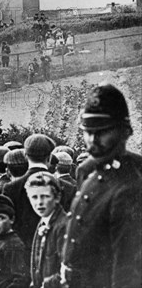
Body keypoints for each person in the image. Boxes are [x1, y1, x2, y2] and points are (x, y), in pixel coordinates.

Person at [62, 83, 142, 288]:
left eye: (102, 132)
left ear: (125, 132)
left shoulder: (130, 188)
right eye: (88, 132)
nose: (92, 140)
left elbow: (127, 271)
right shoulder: (87, 170)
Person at [0, 134, 76, 256]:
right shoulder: (69, 188)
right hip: (55, 254)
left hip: (21, 256)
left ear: (25, 155)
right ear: (49, 157)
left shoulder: (11, 188)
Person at [25, 172, 67, 288]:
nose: (39, 203)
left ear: (57, 197)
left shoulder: (63, 226)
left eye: (45, 196)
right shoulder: (43, 222)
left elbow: (67, 270)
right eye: (34, 197)